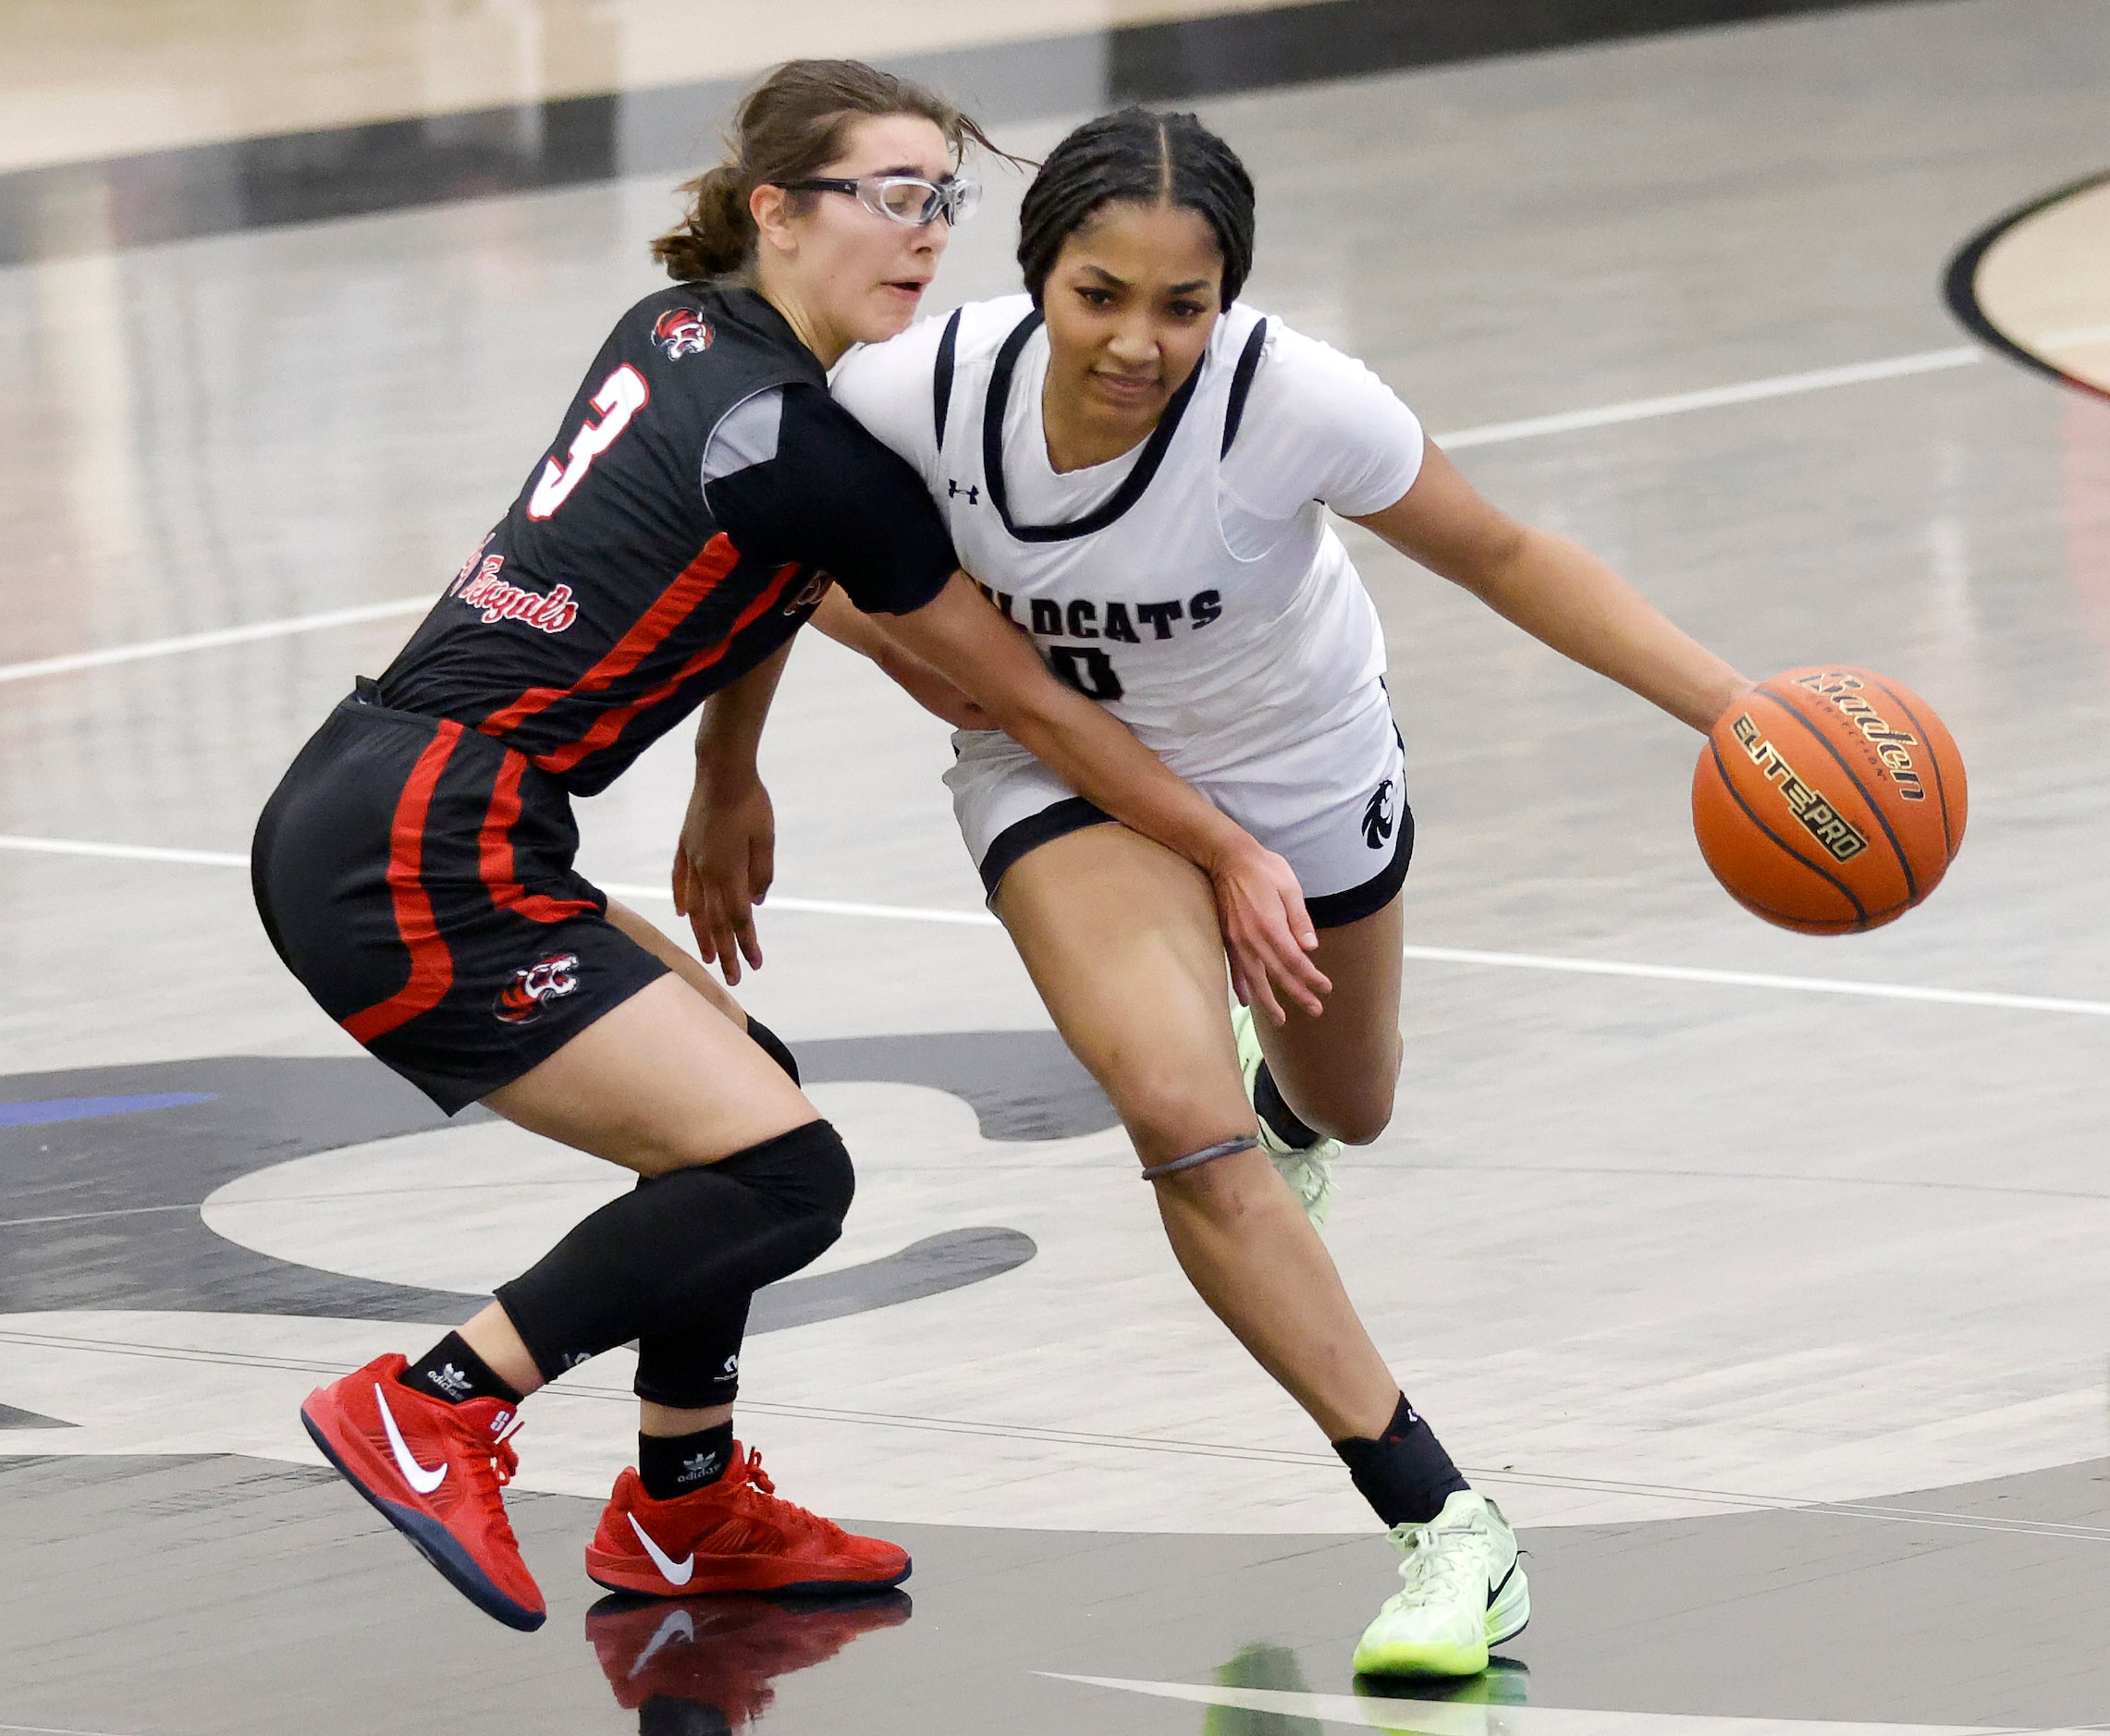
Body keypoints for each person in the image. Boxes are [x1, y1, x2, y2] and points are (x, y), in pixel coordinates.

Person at [250, 65, 1326, 1633]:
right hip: (419, 848)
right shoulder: (812, 449)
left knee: (742, 1076)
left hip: (393, 797)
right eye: (890, 197)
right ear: (774, 207)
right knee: (782, 1170)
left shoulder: (679, 335)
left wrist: (726, 770)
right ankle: (436, 1402)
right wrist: (1225, 845)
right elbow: (998, 689)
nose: (924, 236)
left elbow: (769, 567)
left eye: (942, 203)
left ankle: (683, 1510)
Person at [682, 106, 1752, 1679]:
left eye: (1184, 305)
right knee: (1185, 1121)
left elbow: (1509, 556)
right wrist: (736, 766)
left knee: (1354, 1098)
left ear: (1231, 301)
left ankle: (1301, 1116)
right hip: (1063, 772)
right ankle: (1448, 1526)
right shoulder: (917, 390)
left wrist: (1740, 715)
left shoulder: (1300, 403)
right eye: (1100, 294)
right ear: (1039, 276)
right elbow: (784, 552)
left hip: (1300, 762)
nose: (1137, 341)